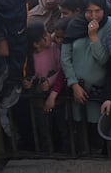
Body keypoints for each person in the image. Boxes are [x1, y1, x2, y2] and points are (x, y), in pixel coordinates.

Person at [60, 0, 111, 152]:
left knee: (98, 137)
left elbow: (104, 59)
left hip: (98, 93)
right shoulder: (75, 25)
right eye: (89, 11)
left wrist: (93, 37)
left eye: (98, 11)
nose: (93, 16)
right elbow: (65, 57)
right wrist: (73, 85)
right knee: (79, 134)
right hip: (77, 91)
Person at [22, 21, 67, 152]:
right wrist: (30, 83)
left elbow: (62, 69)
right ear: (36, 44)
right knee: (44, 131)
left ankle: (65, 153)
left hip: (58, 98)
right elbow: (30, 77)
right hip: (39, 102)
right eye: (45, 34)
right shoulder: (29, 58)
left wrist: (49, 81)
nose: (49, 35)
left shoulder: (54, 48)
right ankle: (48, 155)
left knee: (63, 128)